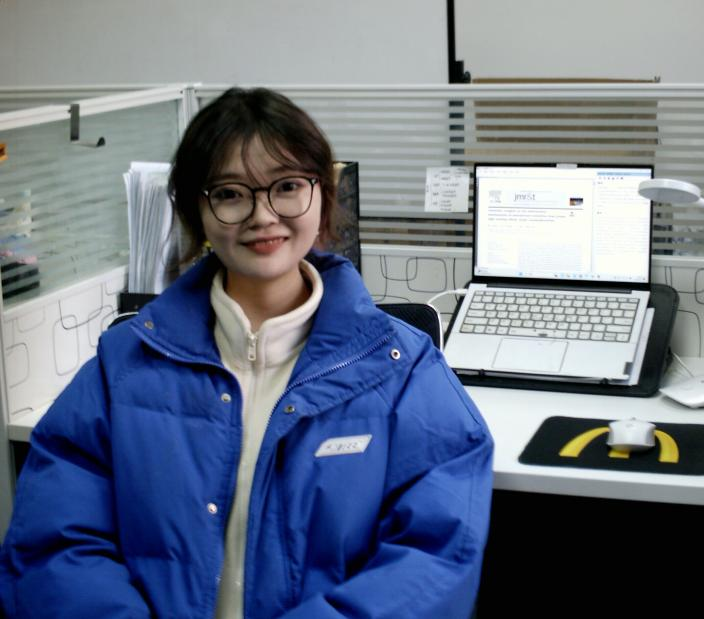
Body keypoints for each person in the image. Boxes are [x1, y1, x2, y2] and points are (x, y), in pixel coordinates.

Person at [0, 87, 494, 618]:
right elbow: (53, 547)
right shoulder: (122, 368)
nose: (262, 215)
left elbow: (435, 557)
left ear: (323, 194)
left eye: (287, 186)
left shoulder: (403, 369)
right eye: (231, 193)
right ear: (197, 211)